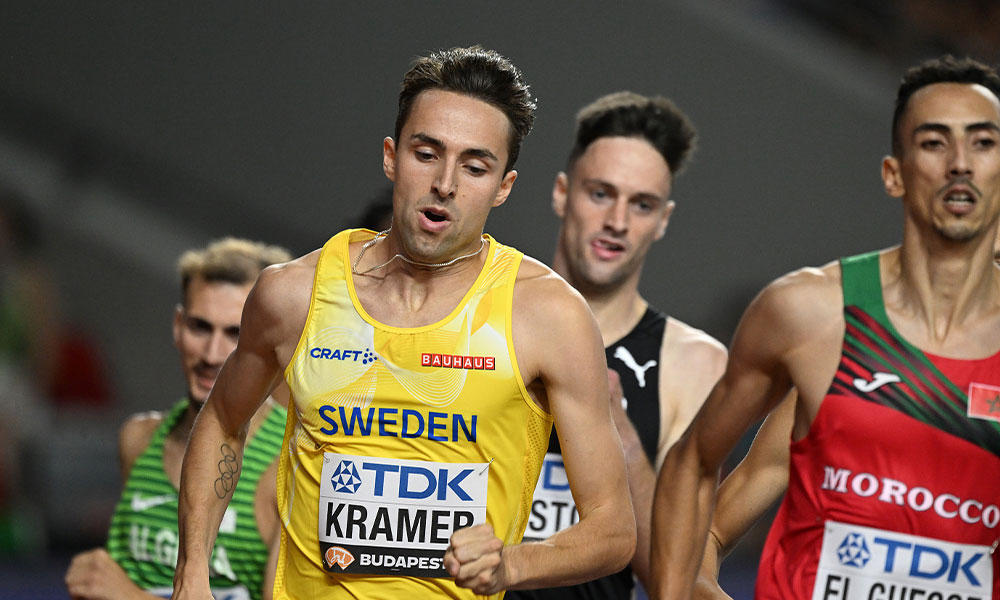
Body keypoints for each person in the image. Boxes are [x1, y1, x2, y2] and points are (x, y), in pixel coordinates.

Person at [171, 46, 635, 600]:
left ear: (504, 187)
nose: (445, 183)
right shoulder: (292, 294)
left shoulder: (546, 315)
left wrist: (511, 564)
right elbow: (223, 419)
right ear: (392, 157)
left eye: (475, 166)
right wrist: (191, 571)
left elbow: (613, 529)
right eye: (427, 153)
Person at [650, 54, 1000, 599]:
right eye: (934, 142)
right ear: (893, 174)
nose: (960, 163)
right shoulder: (812, 317)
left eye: (983, 143)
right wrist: (686, 587)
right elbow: (694, 465)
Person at [507, 92, 726, 600]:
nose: (618, 222)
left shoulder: (694, 363)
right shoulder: (482, 314)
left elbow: (678, 579)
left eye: (642, 204)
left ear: (664, 220)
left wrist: (620, 435)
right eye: (601, 194)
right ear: (562, 193)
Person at [65, 237, 292, 600]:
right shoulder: (138, 440)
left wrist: (127, 597)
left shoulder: (290, 461)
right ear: (177, 326)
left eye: (235, 333)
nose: (212, 353)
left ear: (266, 342)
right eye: (200, 327)